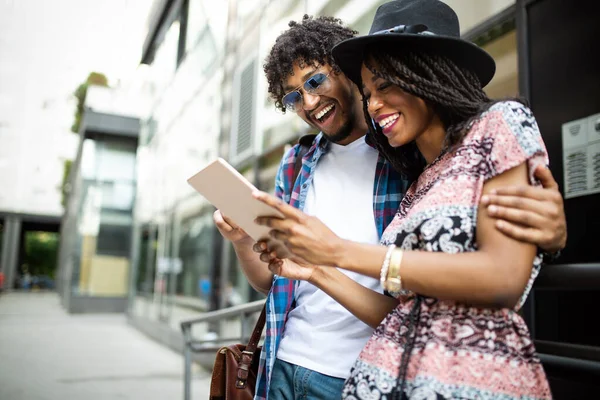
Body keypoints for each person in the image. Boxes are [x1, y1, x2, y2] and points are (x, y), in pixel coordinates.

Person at [215, 12, 565, 400]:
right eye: (294, 97)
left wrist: (549, 239)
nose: (309, 102)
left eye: (315, 81)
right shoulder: (304, 163)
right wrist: (249, 243)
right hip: (301, 362)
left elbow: (492, 262)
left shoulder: (410, 155)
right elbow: (402, 303)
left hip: (378, 369)